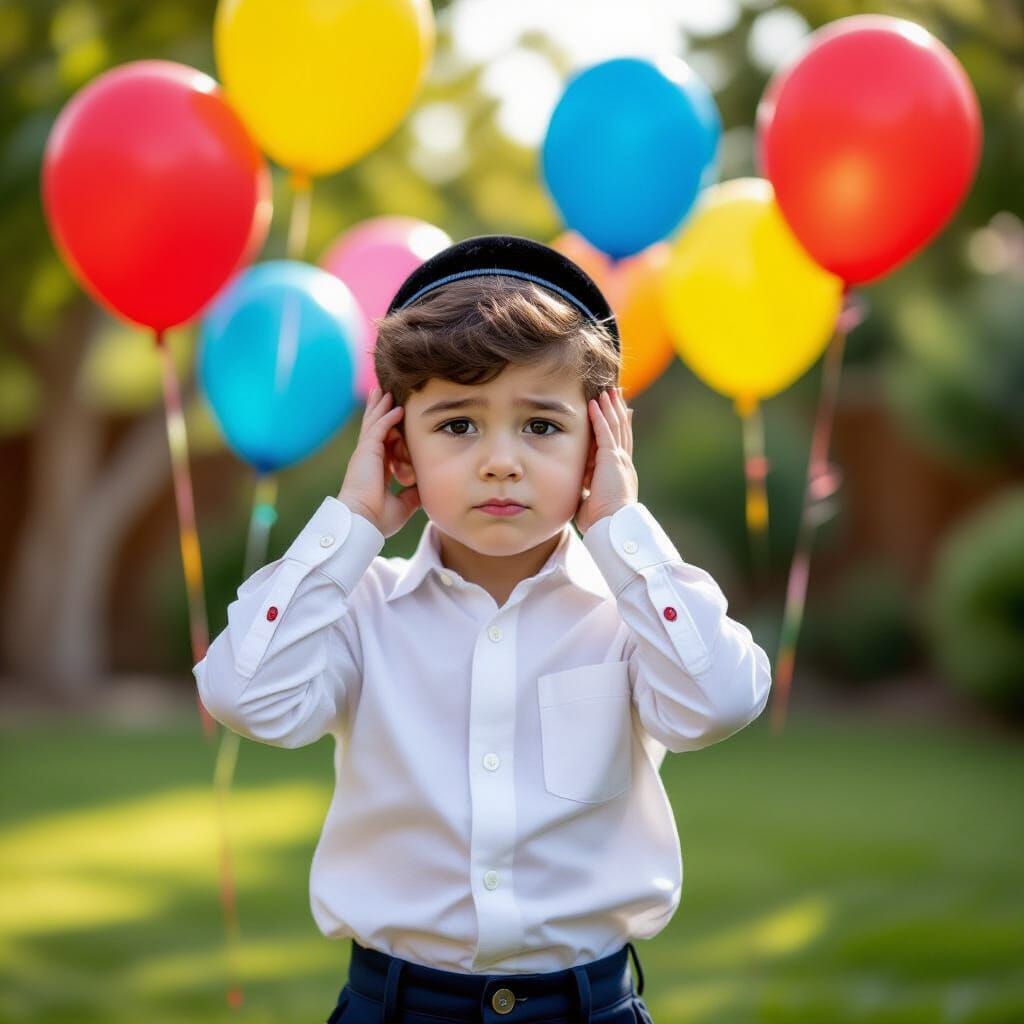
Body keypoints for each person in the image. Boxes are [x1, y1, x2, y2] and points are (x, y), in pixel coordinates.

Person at [194, 234, 772, 1024]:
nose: (501, 461)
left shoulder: (632, 612)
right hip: (395, 1008)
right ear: (399, 448)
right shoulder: (360, 608)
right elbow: (242, 693)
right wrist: (354, 519)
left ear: (599, 445)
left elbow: (720, 701)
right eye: (458, 425)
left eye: (542, 426)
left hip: (589, 1008)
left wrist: (620, 525)